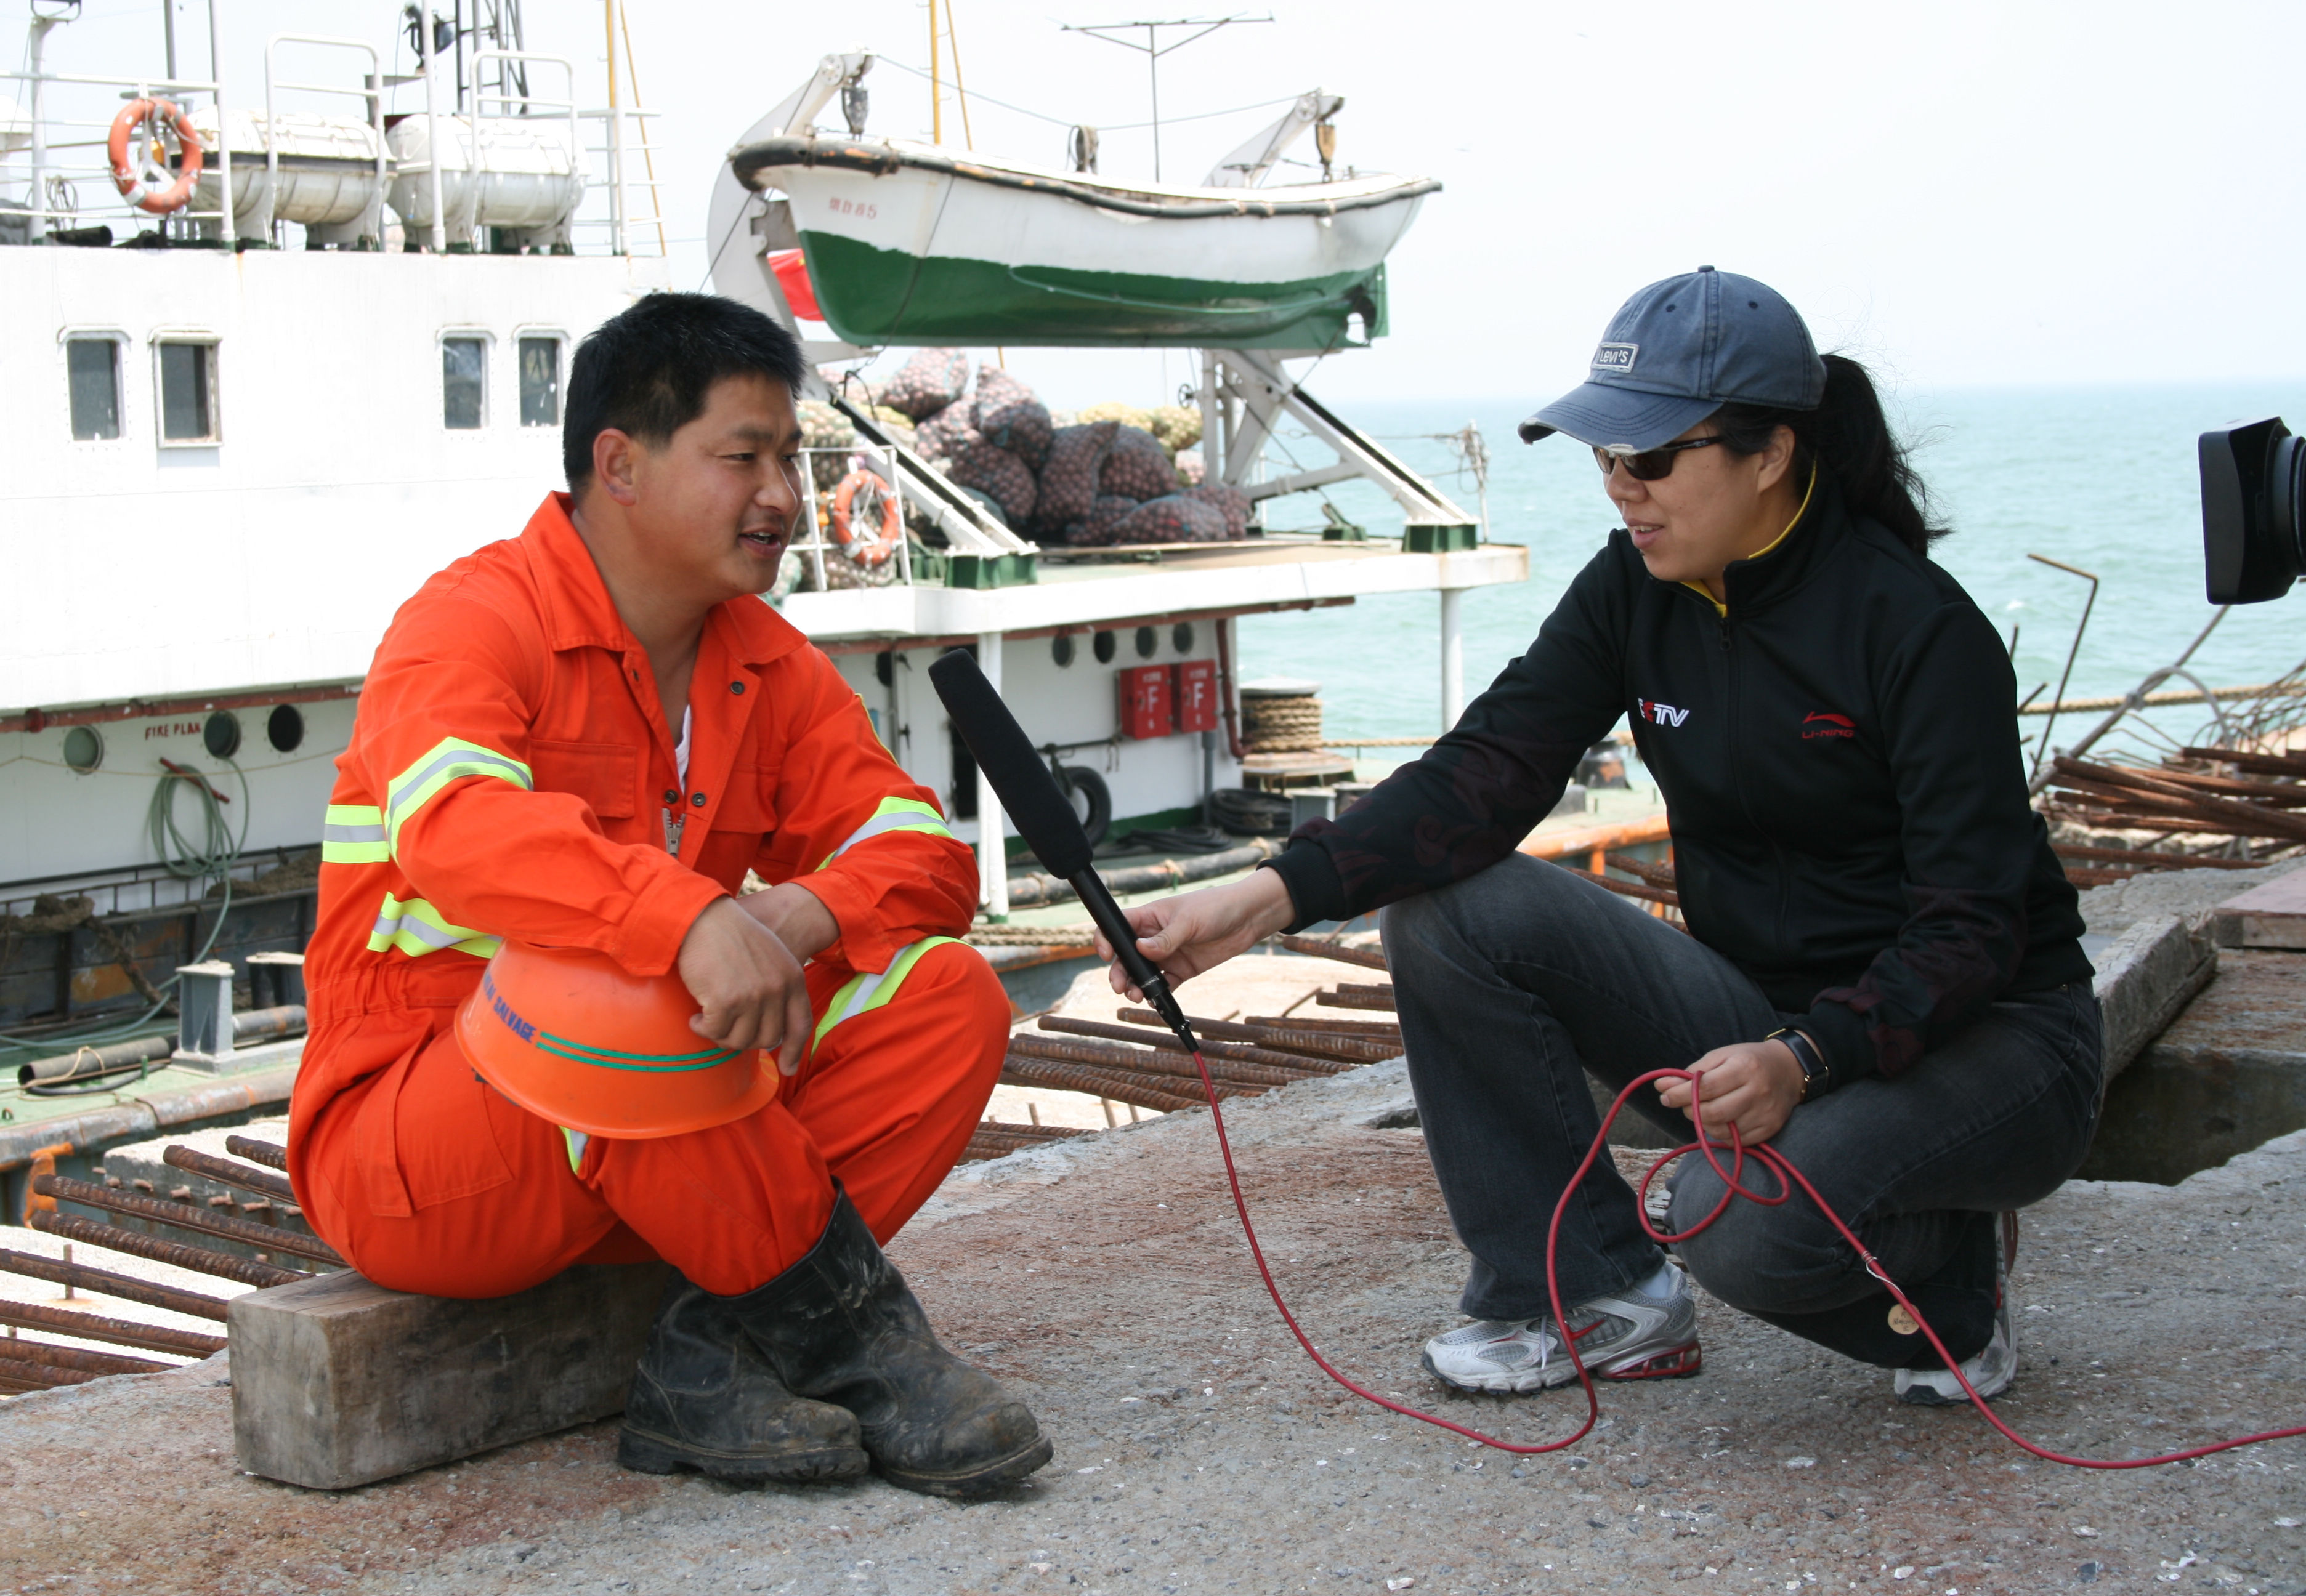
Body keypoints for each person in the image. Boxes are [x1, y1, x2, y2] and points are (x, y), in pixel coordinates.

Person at [1107, 267, 2098, 1406]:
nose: (1623, 489)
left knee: (1739, 1232)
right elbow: (1486, 773)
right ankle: (1591, 1294)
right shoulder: (1634, 587)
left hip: (1994, 1042)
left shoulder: (1919, 631)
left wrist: (1807, 1060)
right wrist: (1268, 894)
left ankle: (1952, 1284)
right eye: (1605, 459)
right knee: (1452, 910)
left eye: (1655, 459)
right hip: (1760, 1027)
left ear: (1771, 453)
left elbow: (1972, 927)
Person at [291, 292, 1048, 1497]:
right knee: (621, 991)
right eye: (740, 457)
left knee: (946, 997)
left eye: (791, 459)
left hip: (637, 1129)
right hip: (422, 1150)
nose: (783, 496)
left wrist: (796, 914)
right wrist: (687, 917)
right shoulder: (473, 623)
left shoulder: (766, 663)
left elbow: (923, 851)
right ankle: (863, 1348)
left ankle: (715, 1352)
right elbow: (456, 830)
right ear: (620, 465)